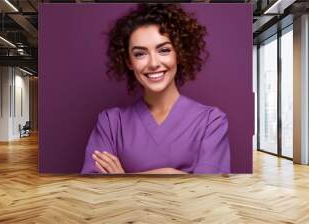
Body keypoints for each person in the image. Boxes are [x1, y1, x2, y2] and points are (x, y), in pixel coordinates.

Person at [81, 3, 230, 174]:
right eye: (140, 54)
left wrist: (125, 180)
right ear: (129, 62)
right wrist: (173, 175)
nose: (153, 63)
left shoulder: (212, 121)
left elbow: (209, 191)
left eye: (164, 50)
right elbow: (95, 189)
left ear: (179, 53)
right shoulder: (110, 123)